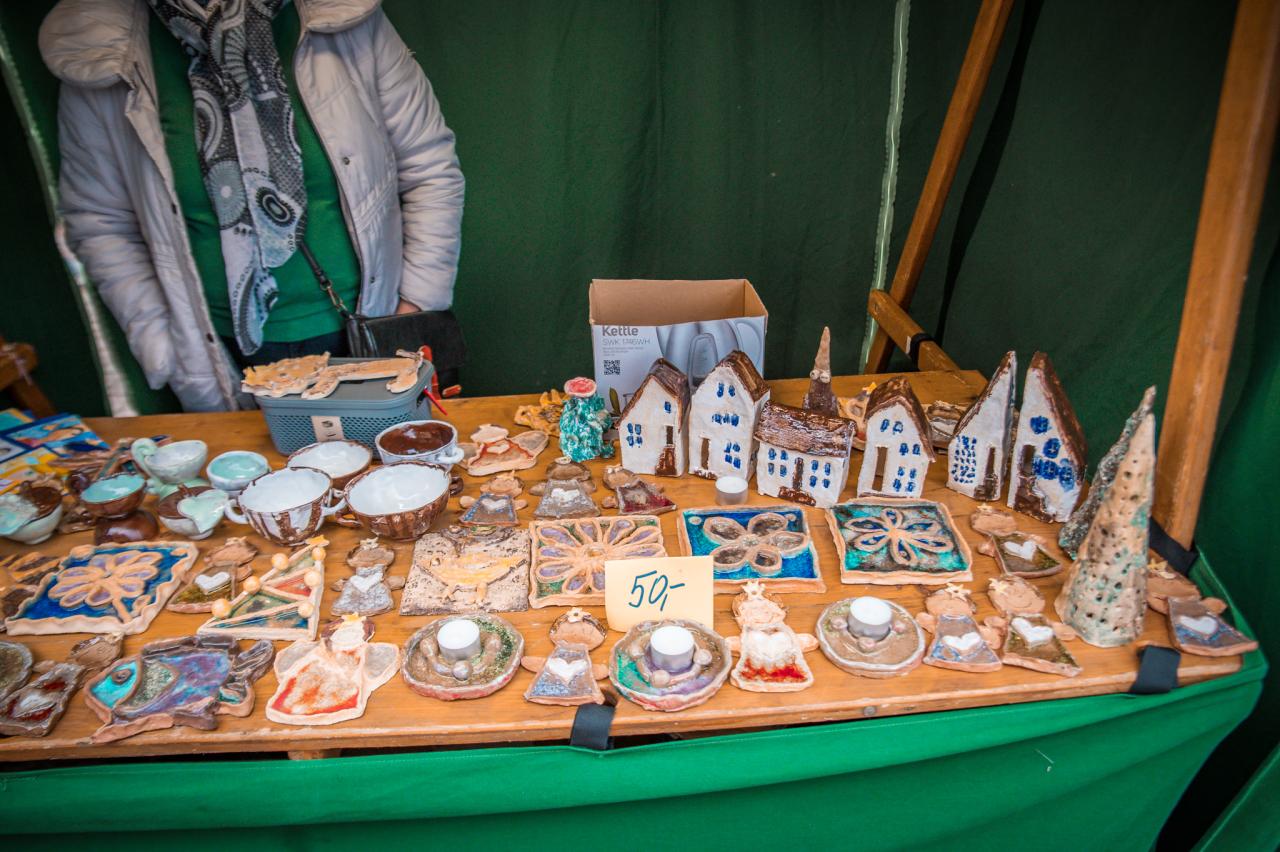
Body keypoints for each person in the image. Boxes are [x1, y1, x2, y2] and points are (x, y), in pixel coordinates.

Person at [39, 0, 464, 410]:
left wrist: (414, 310)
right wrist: (162, 346)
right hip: (220, 354)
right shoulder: (97, 44)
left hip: (374, 325)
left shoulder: (345, 14)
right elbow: (100, 222)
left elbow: (429, 166)